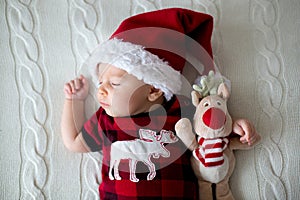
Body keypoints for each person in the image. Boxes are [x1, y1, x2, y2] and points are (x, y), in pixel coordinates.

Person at [61, 8, 260, 200]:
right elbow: (74, 142)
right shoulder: (105, 120)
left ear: (154, 89)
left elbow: (210, 127)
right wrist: (74, 101)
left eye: (114, 83)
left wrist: (235, 126)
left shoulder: (179, 109)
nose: (101, 90)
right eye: (101, 82)